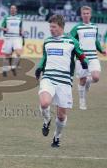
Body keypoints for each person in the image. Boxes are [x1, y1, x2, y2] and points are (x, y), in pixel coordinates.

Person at [35, 14, 89, 148]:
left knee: (61, 116)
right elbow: (44, 58)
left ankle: (57, 137)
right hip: (48, 77)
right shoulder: (47, 41)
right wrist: (39, 68)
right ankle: (47, 120)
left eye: (53, 27)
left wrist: (84, 62)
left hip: (64, 81)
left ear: (61, 27)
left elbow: (81, 54)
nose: (51, 29)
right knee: (44, 102)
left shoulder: (72, 41)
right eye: (50, 27)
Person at [70, 6, 106, 110]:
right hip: (82, 58)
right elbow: (70, 39)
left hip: (93, 56)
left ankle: (89, 82)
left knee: (96, 77)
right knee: (82, 80)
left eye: (87, 13)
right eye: (84, 13)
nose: (86, 15)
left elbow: (96, 41)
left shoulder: (94, 27)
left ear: (90, 14)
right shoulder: (77, 28)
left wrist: (101, 50)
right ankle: (82, 101)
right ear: (81, 15)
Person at [0, 5, 23, 77]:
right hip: (8, 38)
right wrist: (4, 29)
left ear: (16, 10)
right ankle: (4, 70)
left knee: (18, 53)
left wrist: (22, 31)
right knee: (7, 55)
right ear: (10, 10)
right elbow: (1, 27)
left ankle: (13, 67)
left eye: (14, 8)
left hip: (17, 37)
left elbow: (21, 27)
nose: (13, 10)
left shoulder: (19, 18)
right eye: (11, 8)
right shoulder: (6, 18)